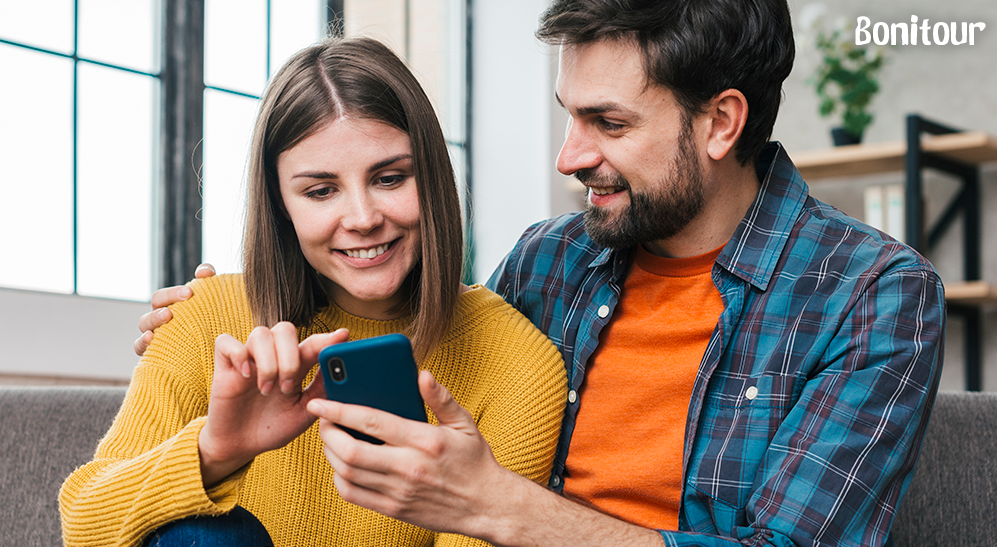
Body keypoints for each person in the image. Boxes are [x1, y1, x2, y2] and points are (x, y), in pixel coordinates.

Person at [140, 1, 947, 545]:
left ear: (720, 122)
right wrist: (226, 308)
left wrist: (500, 504)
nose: (570, 156)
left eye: (608, 122)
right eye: (570, 114)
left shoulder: (872, 296)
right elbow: (428, 336)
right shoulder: (550, 259)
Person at [60, 36, 567, 547]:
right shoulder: (209, 318)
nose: (364, 219)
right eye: (321, 191)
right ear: (281, 205)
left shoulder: (517, 365)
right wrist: (217, 450)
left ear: (431, 179)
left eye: (390, 178)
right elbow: (83, 522)